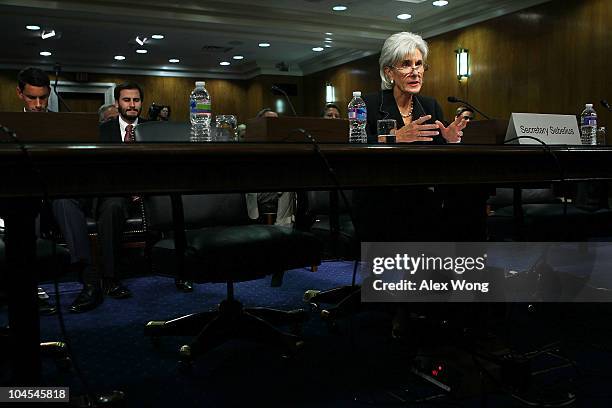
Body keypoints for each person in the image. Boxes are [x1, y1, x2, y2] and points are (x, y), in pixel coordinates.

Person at [16, 67, 99, 314]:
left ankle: (90, 282)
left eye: (43, 97)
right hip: (24, 195)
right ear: (20, 94)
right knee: (24, 206)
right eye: (32, 98)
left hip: (58, 193)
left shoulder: (62, 124)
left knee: (65, 201)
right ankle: (26, 286)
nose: (39, 104)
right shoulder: (7, 125)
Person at [98, 82, 193, 293]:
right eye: (126, 100)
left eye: (136, 100)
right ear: (117, 103)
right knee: (111, 207)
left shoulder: (154, 129)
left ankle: (182, 271)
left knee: (175, 199)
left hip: (151, 189)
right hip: (119, 192)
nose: (132, 105)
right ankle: (110, 278)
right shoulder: (103, 131)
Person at [246, 109, 295, 226]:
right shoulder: (252, 142)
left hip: (277, 186)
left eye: (276, 122)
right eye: (270, 121)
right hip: (256, 190)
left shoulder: (283, 144)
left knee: (290, 184)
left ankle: (284, 228)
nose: (274, 125)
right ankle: (284, 228)